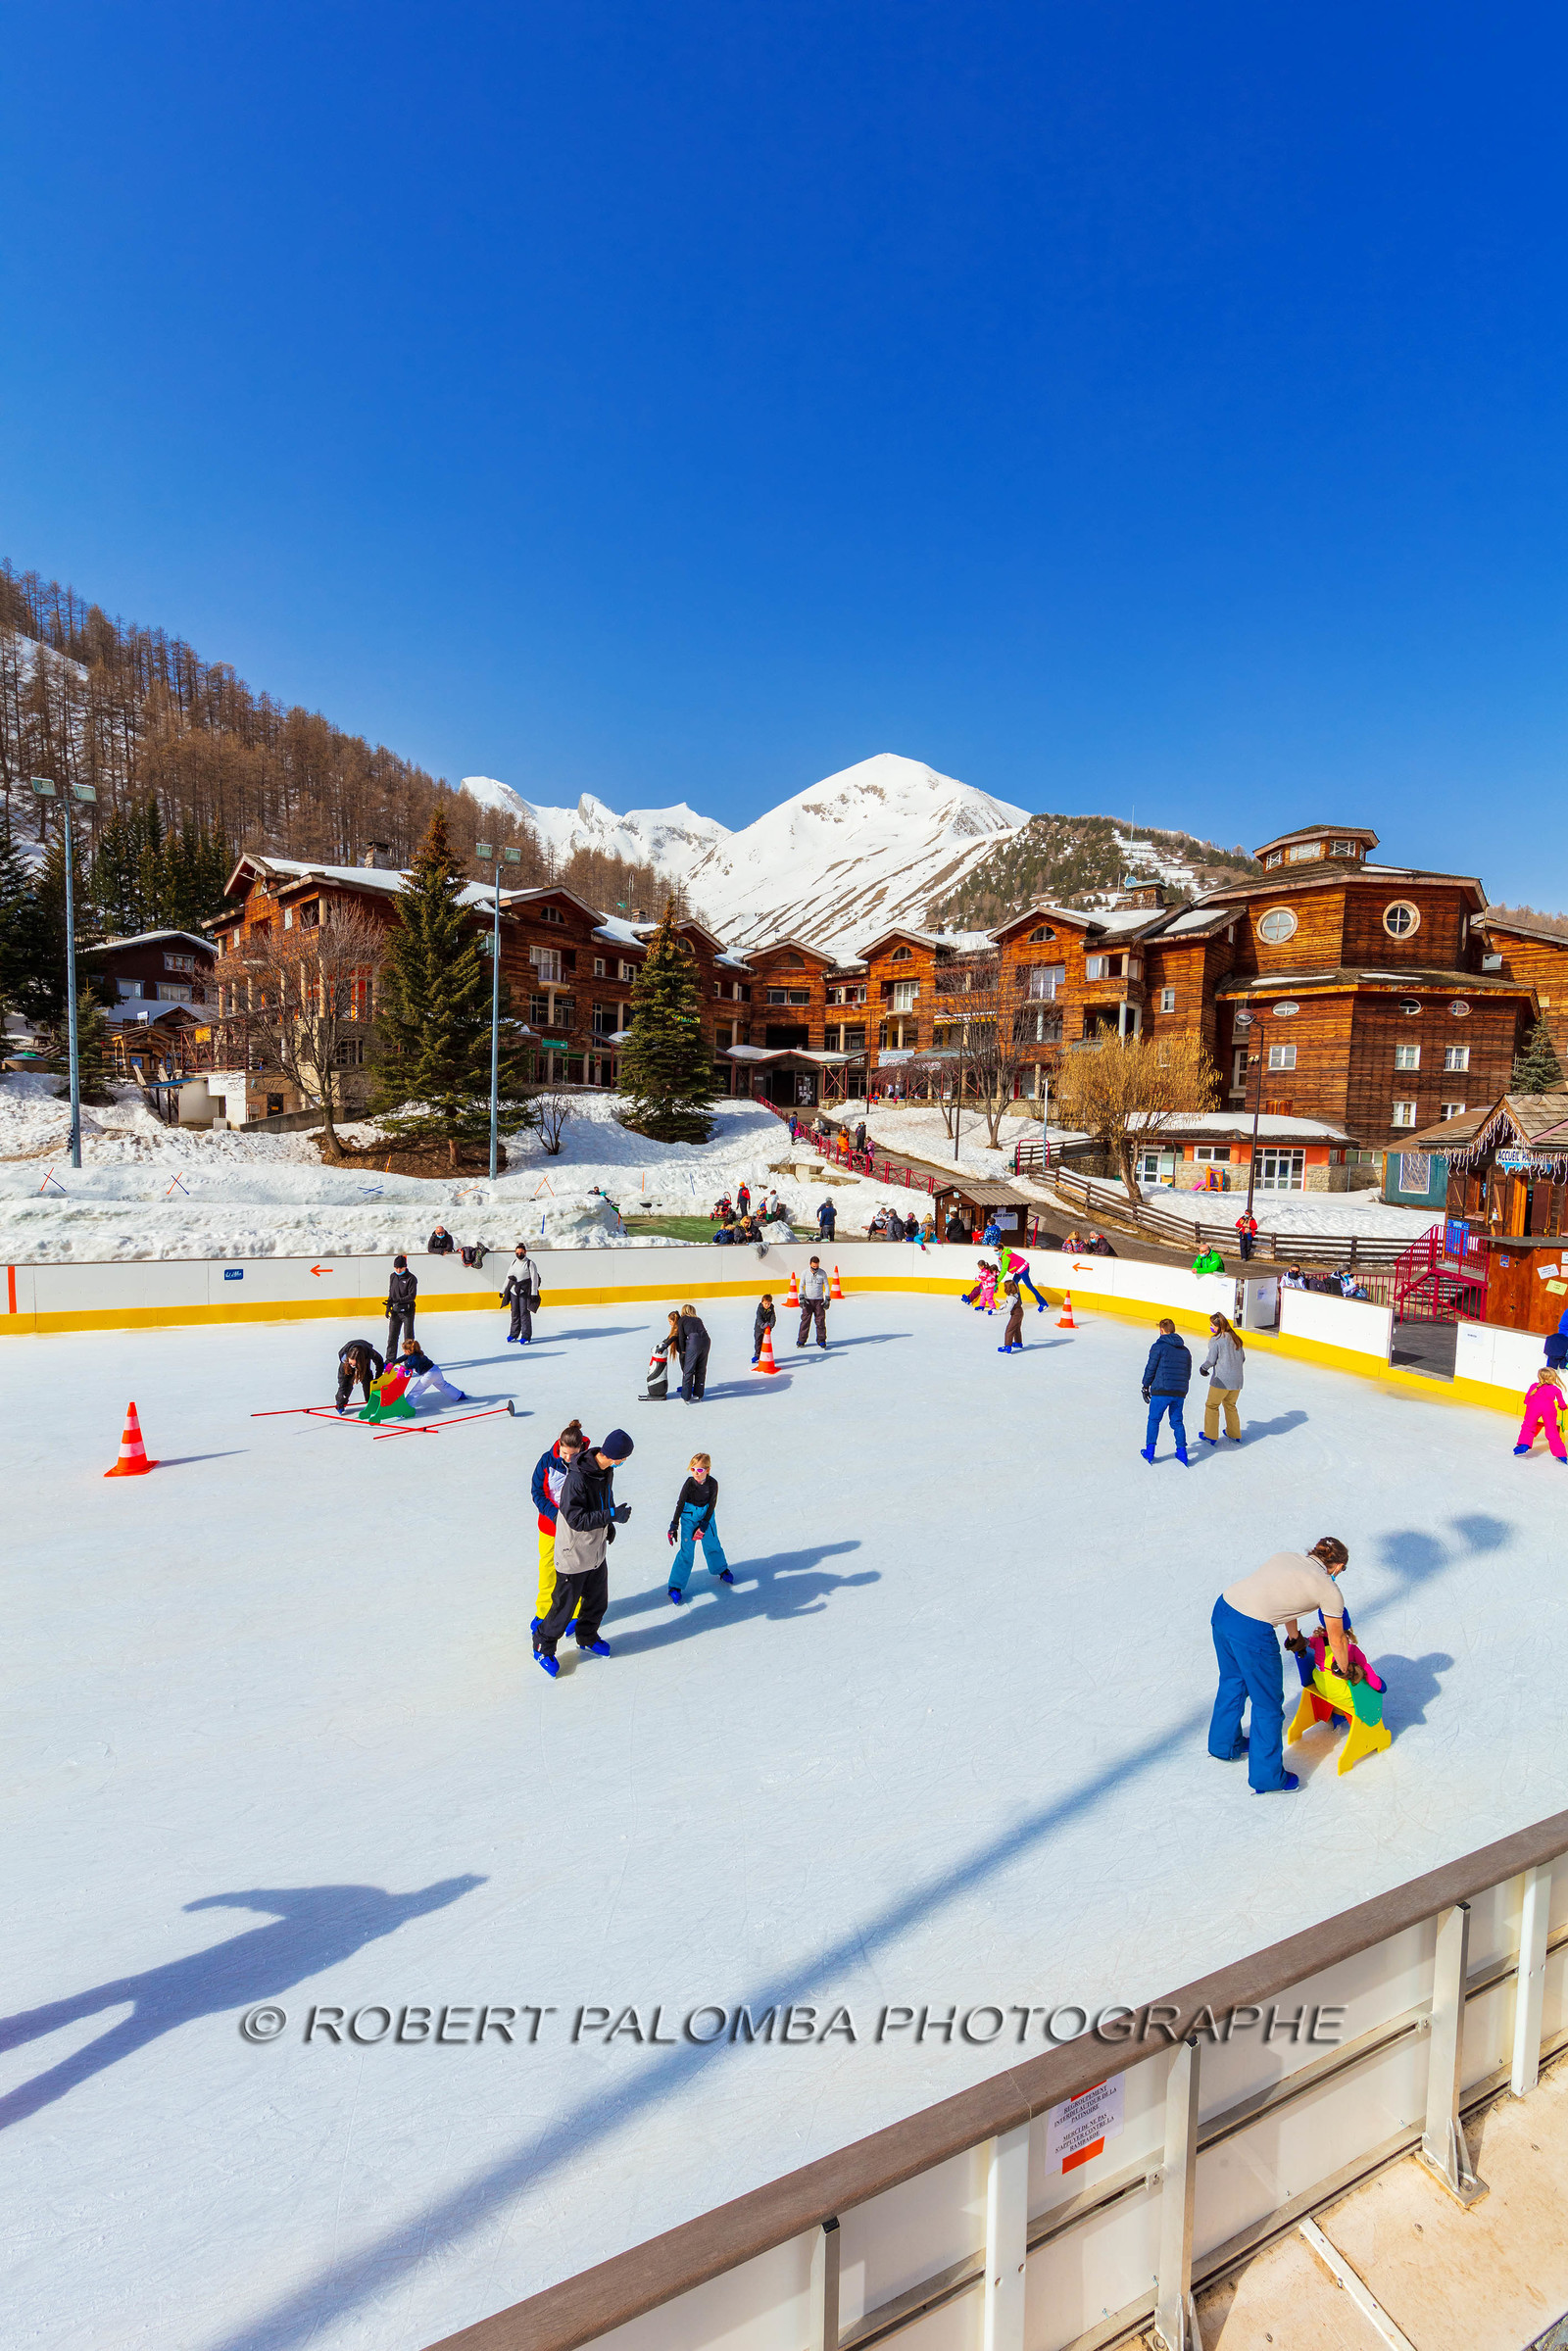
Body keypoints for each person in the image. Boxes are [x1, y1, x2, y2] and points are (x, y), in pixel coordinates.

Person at [1208, 1539, 1351, 1793]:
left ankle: (1223, 1745)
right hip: (1252, 1630)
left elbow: (1287, 1601)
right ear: (1338, 1566)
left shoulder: (1288, 1557)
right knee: (1268, 1705)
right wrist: (1345, 1669)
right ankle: (1267, 1778)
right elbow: (1337, 1638)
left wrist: (1295, 1637)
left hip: (1224, 1609)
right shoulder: (1329, 1590)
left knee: (1233, 1680)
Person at [534, 1429, 633, 1676]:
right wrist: (611, 1516)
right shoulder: (577, 1478)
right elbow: (575, 1519)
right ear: (615, 1456)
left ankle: (587, 1637)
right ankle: (542, 1645)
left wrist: (608, 1524)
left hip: (595, 1549)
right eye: (624, 1458)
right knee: (563, 1608)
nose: (623, 1463)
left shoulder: (605, 1470)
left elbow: (605, 1498)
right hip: (573, 1553)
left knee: (597, 1601)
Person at [530, 1420, 587, 1635]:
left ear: (581, 1448)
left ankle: (576, 1611)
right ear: (559, 1445)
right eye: (564, 1453)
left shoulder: (587, 1463)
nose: (568, 1458)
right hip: (550, 1527)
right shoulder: (547, 1461)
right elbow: (538, 1492)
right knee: (547, 1568)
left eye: (573, 1454)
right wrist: (555, 1516)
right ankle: (544, 1610)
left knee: (576, 1570)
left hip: (577, 1528)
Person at [666, 1450, 734, 1603]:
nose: (696, 1473)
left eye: (700, 1470)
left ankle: (721, 1569)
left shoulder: (713, 1484)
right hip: (689, 1518)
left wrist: (703, 1527)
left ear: (708, 1470)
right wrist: (674, 1525)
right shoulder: (689, 1484)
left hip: (707, 1517)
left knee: (712, 1544)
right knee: (686, 1552)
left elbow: (712, 1505)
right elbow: (680, 1503)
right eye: (693, 1469)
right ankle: (675, 1586)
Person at [1141, 1317, 1192, 1463]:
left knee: (1154, 1420)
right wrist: (1183, 1390)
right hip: (1179, 1393)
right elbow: (1187, 1373)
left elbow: (1151, 1367)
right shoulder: (1185, 1351)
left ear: (1162, 1330)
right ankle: (1182, 1452)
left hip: (1161, 1391)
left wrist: (1145, 1385)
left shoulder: (1158, 1346)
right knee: (1177, 1422)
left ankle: (1150, 1451)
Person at [1198, 1311, 1246, 1445]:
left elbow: (1211, 1360)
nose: (1211, 1327)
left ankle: (1211, 1436)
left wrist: (1203, 1368)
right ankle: (1234, 1433)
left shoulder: (1217, 1340)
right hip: (1237, 1381)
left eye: (1212, 1325)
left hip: (1221, 1381)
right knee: (1230, 1405)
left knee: (1212, 1406)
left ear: (1219, 1326)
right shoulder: (1236, 1338)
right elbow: (1242, 1358)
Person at [1514, 1366, 1568, 1462]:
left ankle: (1524, 1444)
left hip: (1533, 1407)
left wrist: (1529, 1404)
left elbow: (1527, 1400)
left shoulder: (1534, 1386)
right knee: (1552, 1431)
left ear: (1539, 1377)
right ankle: (1561, 1455)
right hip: (1549, 1409)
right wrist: (1563, 1407)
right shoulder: (1556, 1389)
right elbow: (1562, 1404)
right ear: (1553, 1378)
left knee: (1528, 1426)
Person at [396, 1339, 467, 1409]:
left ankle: (405, 1408)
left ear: (408, 1350)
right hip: (435, 1370)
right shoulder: (415, 1353)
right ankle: (458, 1395)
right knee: (443, 1385)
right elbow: (403, 1357)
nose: (404, 1352)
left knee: (417, 1390)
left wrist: (405, 1367)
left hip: (429, 1374)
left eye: (404, 1350)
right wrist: (393, 1363)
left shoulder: (416, 1357)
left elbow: (414, 1363)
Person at [502, 1243, 541, 1344]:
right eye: (517, 1253)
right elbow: (508, 1277)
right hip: (513, 1291)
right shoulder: (514, 1262)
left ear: (525, 1252)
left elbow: (534, 1279)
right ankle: (513, 1334)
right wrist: (502, 1290)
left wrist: (534, 1293)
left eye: (521, 1252)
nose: (519, 1255)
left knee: (524, 1313)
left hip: (524, 1291)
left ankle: (526, 1335)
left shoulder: (530, 1264)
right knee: (515, 1313)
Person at [335, 1337, 383, 1413]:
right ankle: (341, 1402)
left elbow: (380, 1362)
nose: (352, 1366)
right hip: (346, 1363)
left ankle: (370, 1400)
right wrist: (341, 1400)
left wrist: (377, 1379)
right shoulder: (344, 1357)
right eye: (351, 1363)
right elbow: (342, 1382)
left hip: (363, 1363)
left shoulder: (369, 1353)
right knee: (345, 1383)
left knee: (368, 1381)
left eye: (354, 1365)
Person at [385, 1253, 417, 1359]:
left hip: (407, 1311)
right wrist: (388, 1306)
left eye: (400, 1268)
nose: (398, 1270)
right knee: (392, 1337)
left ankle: (410, 1360)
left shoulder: (411, 1278)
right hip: (395, 1311)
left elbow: (412, 1296)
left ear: (405, 1267)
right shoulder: (392, 1276)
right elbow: (391, 1292)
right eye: (396, 1268)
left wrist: (398, 1300)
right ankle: (390, 1360)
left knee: (408, 1338)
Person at [997, 1241, 1047, 1310]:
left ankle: (1043, 1303)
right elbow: (1002, 1268)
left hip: (1023, 1269)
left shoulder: (1005, 1256)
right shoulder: (1002, 1254)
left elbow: (1004, 1270)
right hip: (1019, 1269)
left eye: (996, 1250)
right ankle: (1018, 1303)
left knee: (1029, 1285)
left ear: (1000, 1249)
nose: (995, 1252)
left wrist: (998, 1280)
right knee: (1014, 1284)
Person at [645, 1311, 681, 1401]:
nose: (669, 1323)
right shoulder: (676, 1328)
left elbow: (672, 1338)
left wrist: (664, 1346)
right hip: (683, 1352)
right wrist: (662, 1344)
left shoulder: (678, 1329)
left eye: (670, 1321)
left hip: (686, 1352)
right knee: (685, 1369)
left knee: (686, 1370)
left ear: (674, 1320)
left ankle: (688, 1388)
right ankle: (687, 1386)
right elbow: (668, 1338)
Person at [677, 1303, 710, 1401]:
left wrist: (682, 1350)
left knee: (689, 1369)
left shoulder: (682, 1320)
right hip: (706, 1341)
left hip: (694, 1342)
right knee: (701, 1368)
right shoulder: (698, 1319)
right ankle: (699, 1393)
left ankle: (686, 1395)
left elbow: (681, 1337)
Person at [798, 1256, 830, 1348]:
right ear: (810, 1265)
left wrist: (827, 1298)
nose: (815, 1269)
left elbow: (827, 1286)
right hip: (807, 1301)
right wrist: (801, 1297)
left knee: (820, 1321)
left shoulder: (822, 1273)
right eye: (813, 1267)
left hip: (819, 1301)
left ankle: (821, 1340)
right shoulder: (805, 1273)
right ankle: (801, 1340)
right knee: (805, 1321)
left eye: (816, 1267)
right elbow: (801, 1286)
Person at [997, 1280, 1025, 1354]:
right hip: (1019, 1312)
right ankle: (1018, 1343)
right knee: (1016, 1328)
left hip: (1016, 1314)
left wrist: (998, 1312)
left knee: (1009, 1329)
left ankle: (1007, 1346)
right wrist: (1003, 1305)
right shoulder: (1014, 1294)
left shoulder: (1011, 1297)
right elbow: (1008, 1303)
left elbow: (1009, 1309)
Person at [752, 1292, 776, 1366]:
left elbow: (773, 1318)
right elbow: (759, 1319)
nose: (767, 1305)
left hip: (767, 1330)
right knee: (758, 1342)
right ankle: (757, 1355)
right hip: (758, 1329)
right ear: (762, 1302)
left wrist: (771, 1325)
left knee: (765, 1342)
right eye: (765, 1303)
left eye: (768, 1304)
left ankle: (765, 1355)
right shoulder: (759, 1309)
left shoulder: (771, 1309)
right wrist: (762, 1325)